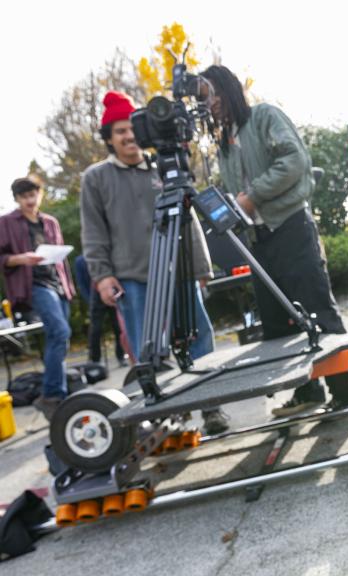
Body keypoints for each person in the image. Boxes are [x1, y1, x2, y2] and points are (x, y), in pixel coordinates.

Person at [199, 65, 348, 417]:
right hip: (257, 237)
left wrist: (252, 196)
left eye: (210, 96)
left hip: (290, 225)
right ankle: (307, 391)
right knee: (275, 320)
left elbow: (294, 160)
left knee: (316, 306)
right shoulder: (224, 141)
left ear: (227, 90)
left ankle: (346, 390)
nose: (207, 105)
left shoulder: (264, 117)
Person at [80, 91, 229, 435]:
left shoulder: (164, 168)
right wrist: (102, 276)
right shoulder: (96, 178)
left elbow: (189, 220)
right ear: (109, 139)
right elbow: (93, 231)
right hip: (132, 276)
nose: (128, 136)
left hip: (178, 270)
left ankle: (211, 409)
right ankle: (166, 417)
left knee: (200, 339)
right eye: (118, 131)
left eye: (131, 128)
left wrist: (201, 267)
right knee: (148, 351)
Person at [0, 176, 75, 421]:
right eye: (25, 197)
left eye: (33, 195)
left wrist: (69, 287)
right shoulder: (7, 222)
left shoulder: (50, 222)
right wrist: (21, 258)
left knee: (60, 338)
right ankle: (51, 395)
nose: (30, 201)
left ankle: (58, 395)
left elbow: (61, 260)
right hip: (33, 284)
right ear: (17, 199)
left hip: (57, 282)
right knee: (60, 332)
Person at [74, 254, 127, 366]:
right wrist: (89, 300)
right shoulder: (80, 261)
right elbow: (82, 284)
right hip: (95, 296)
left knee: (118, 327)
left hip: (111, 292)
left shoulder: (106, 256)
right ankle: (95, 360)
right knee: (95, 329)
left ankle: (121, 356)